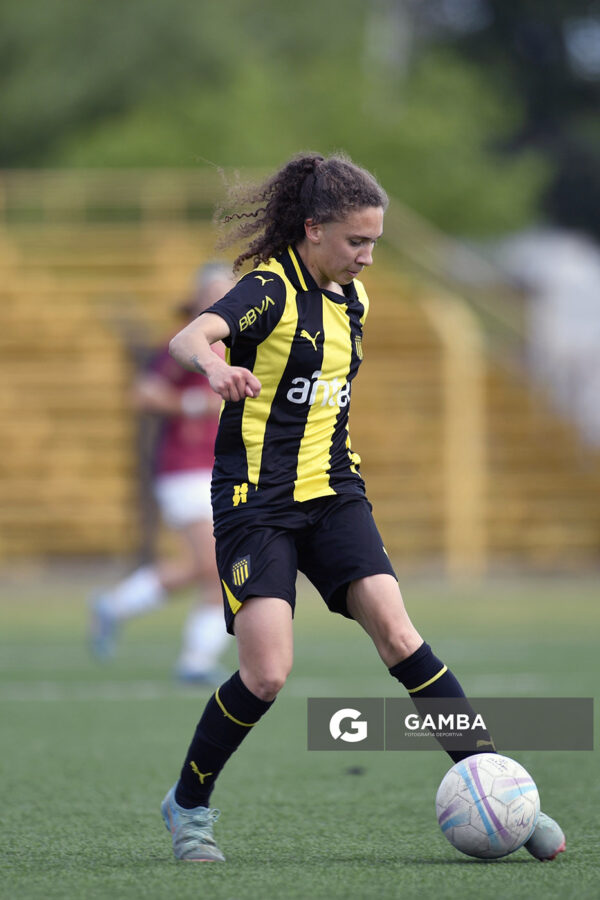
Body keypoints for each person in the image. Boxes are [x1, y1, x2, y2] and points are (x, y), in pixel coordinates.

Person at [160, 152, 565, 862]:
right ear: (313, 230)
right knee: (267, 673)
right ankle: (188, 806)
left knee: (400, 635)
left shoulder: (356, 299)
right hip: (257, 505)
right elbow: (192, 335)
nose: (368, 257)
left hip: (335, 493)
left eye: (375, 242)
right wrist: (217, 366)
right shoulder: (267, 289)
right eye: (357, 242)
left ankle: (501, 788)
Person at [89, 263, 234, 684]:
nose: (221, 299)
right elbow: (144, 394)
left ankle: (116, 606)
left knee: (207, 566)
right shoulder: (185, 344)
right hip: (185, 468)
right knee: (215, 565)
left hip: (224, 470)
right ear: (198, 298)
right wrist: (195, 406)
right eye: (214, 291)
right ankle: (196, 661)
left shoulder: (243, 345)